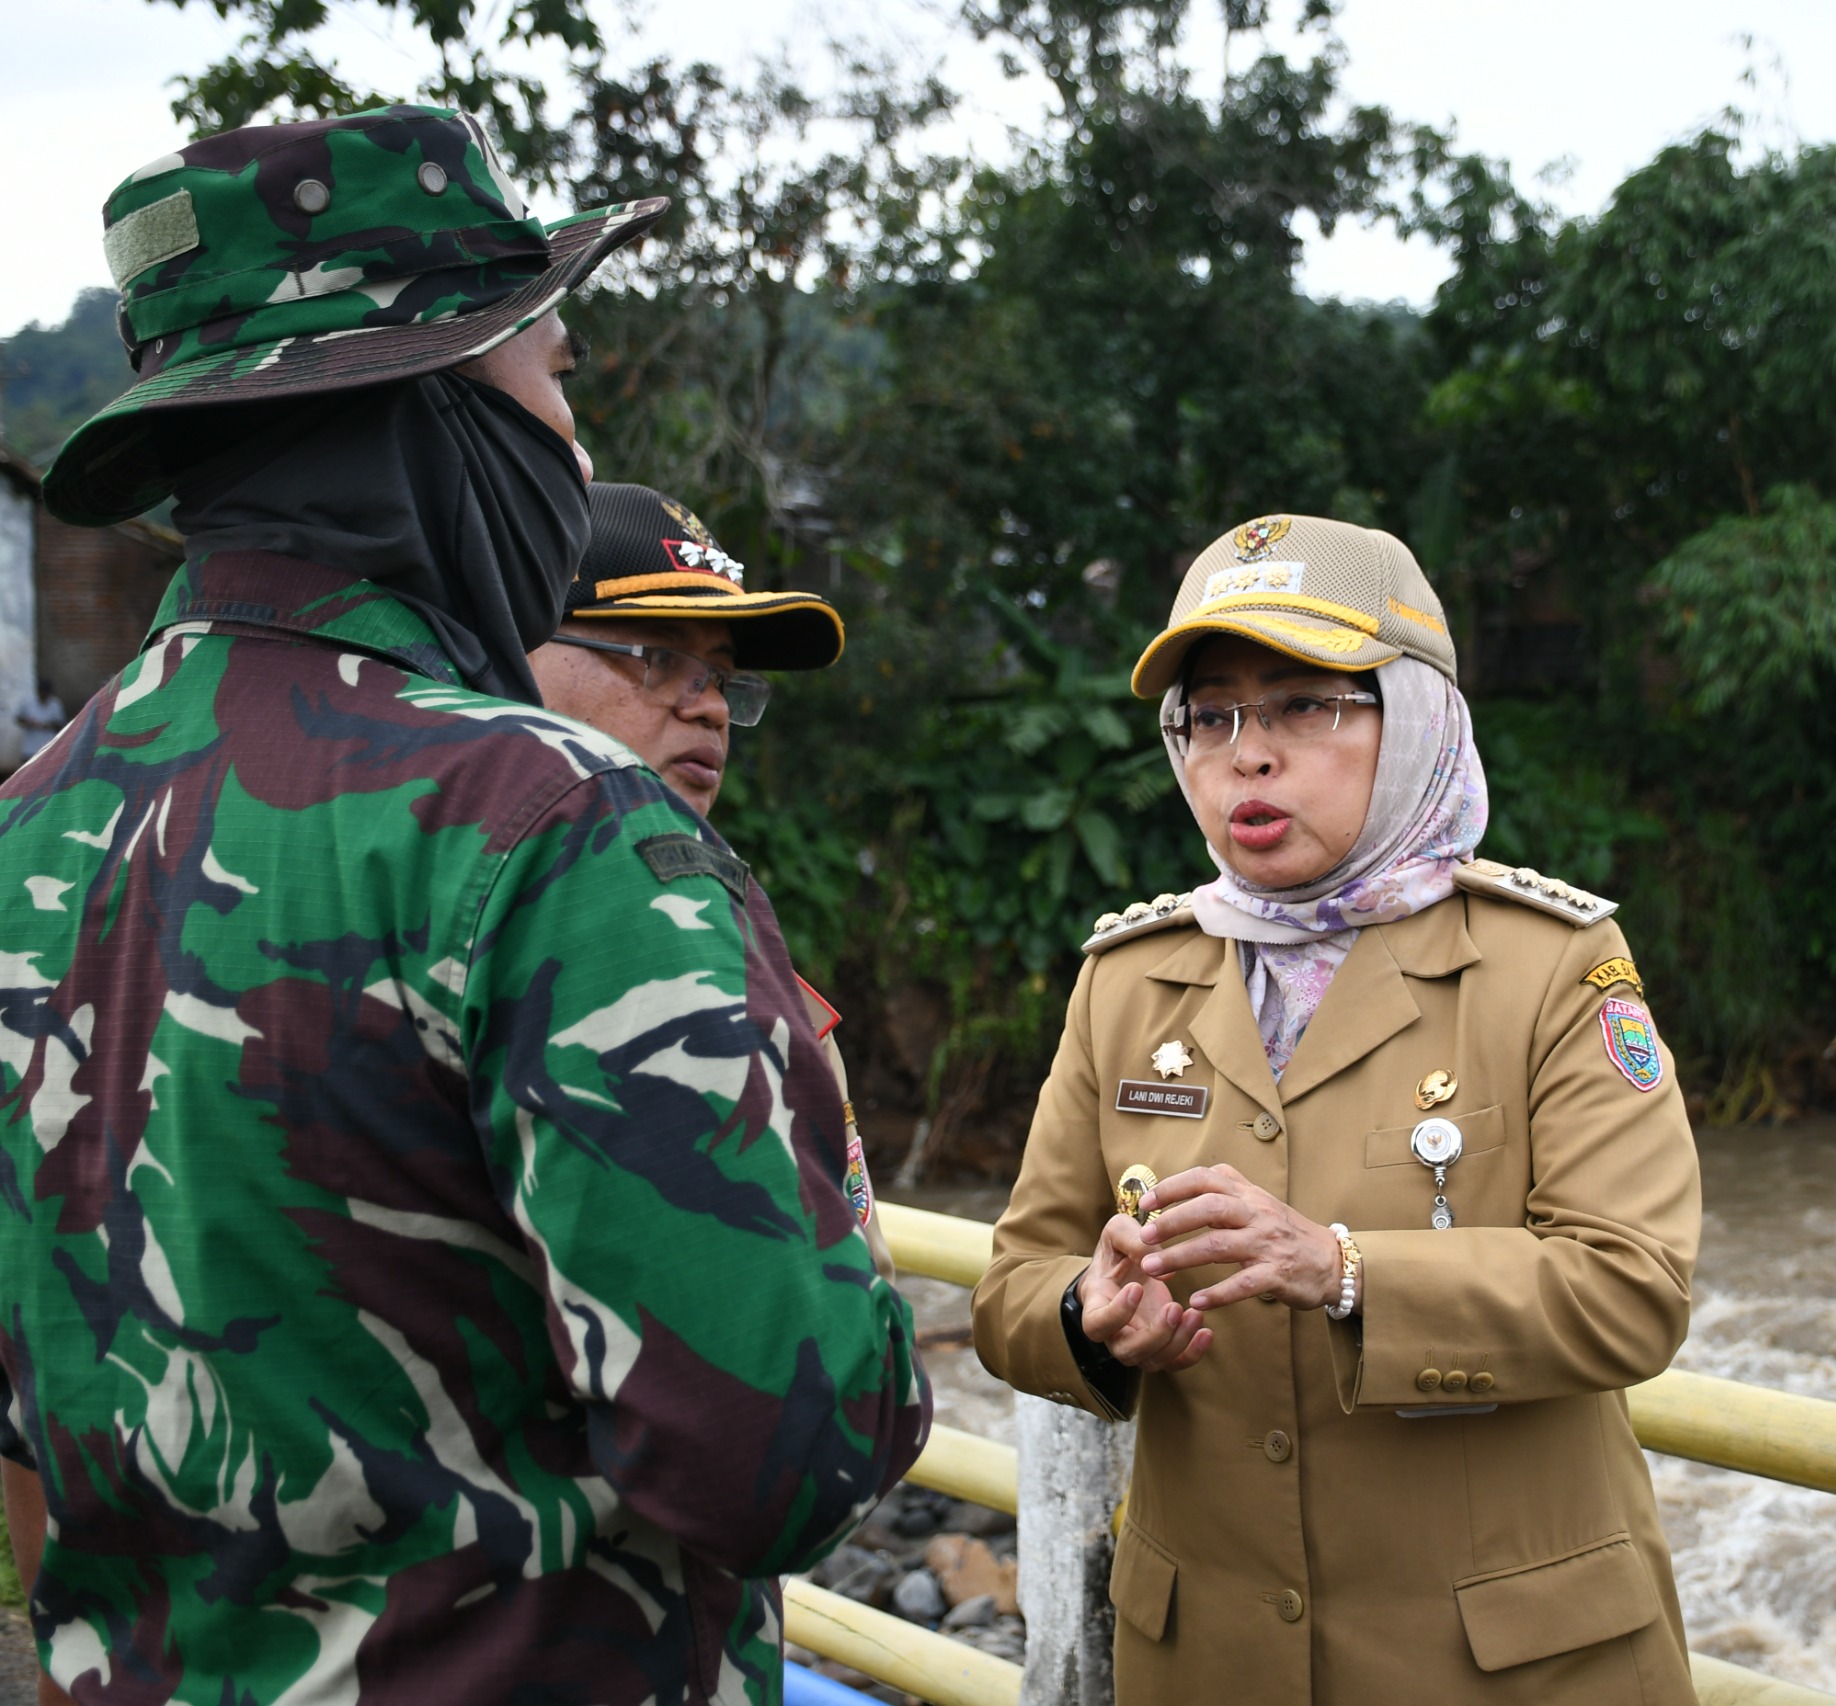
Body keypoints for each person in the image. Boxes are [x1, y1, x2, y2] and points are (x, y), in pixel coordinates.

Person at [0, 106, 922, 1705]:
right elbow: (783, 1444)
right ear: (432, 406)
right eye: (555, 374)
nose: (572, 445)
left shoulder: (26, 825)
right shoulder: (549, 822)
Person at [973, 514, 1703, 1702]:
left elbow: (1632, 1288)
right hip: (1208, 1660)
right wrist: (1088, 1309)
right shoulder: (1127, 977)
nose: (1246, 755)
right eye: (1211, 715)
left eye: (1304, 702)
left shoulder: (1552, 964)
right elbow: (1013, 1285)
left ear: (1411, 717)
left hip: (1504, 1669)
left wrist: (1345, 1266)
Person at [530, 481, 890, 1261]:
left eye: (721, 676)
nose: (712, 709)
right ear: (517, 647)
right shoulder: (424, 929)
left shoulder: (776, 991)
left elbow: (861, 1273)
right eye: (659, 656)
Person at [11, 679, 64, 763]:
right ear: (38, 691)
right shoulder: (27, 701)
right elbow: (18, 718)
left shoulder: (55, 704)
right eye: (42, 693)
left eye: (46, 693)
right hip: (29, 749)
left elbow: (61, 724)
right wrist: (28, 722)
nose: (44, 695)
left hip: (47, 747)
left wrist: (50, 725)